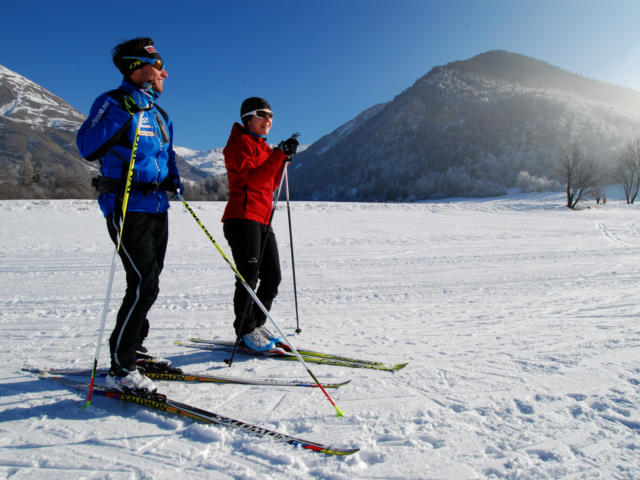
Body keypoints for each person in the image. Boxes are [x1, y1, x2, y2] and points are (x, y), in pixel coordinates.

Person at [76, 37, 183, 395]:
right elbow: (87, 145)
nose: (165, 72)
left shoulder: (160, 113)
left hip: (157, 208)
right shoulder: (113, 101)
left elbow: (165, 155)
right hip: (125, 206)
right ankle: (121, 368)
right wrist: (124, 110)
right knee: (143, 284)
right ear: (139, 68)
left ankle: (134, 347)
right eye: (159, 65)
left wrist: (173, 177)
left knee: (149, 282)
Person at [221, 97, 299, 352]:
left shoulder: (263, 147)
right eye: (262, 114)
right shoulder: (239, 144)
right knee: (248, 278)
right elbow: (254, 181)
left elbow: (270, 183)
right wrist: (278, 155)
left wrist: (283, 159)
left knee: (272, 277)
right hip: (242, 219)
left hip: (263, 220)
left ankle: (255, 324)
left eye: (271, 115)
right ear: (248, 118)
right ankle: (244, 331)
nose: (269, 119)